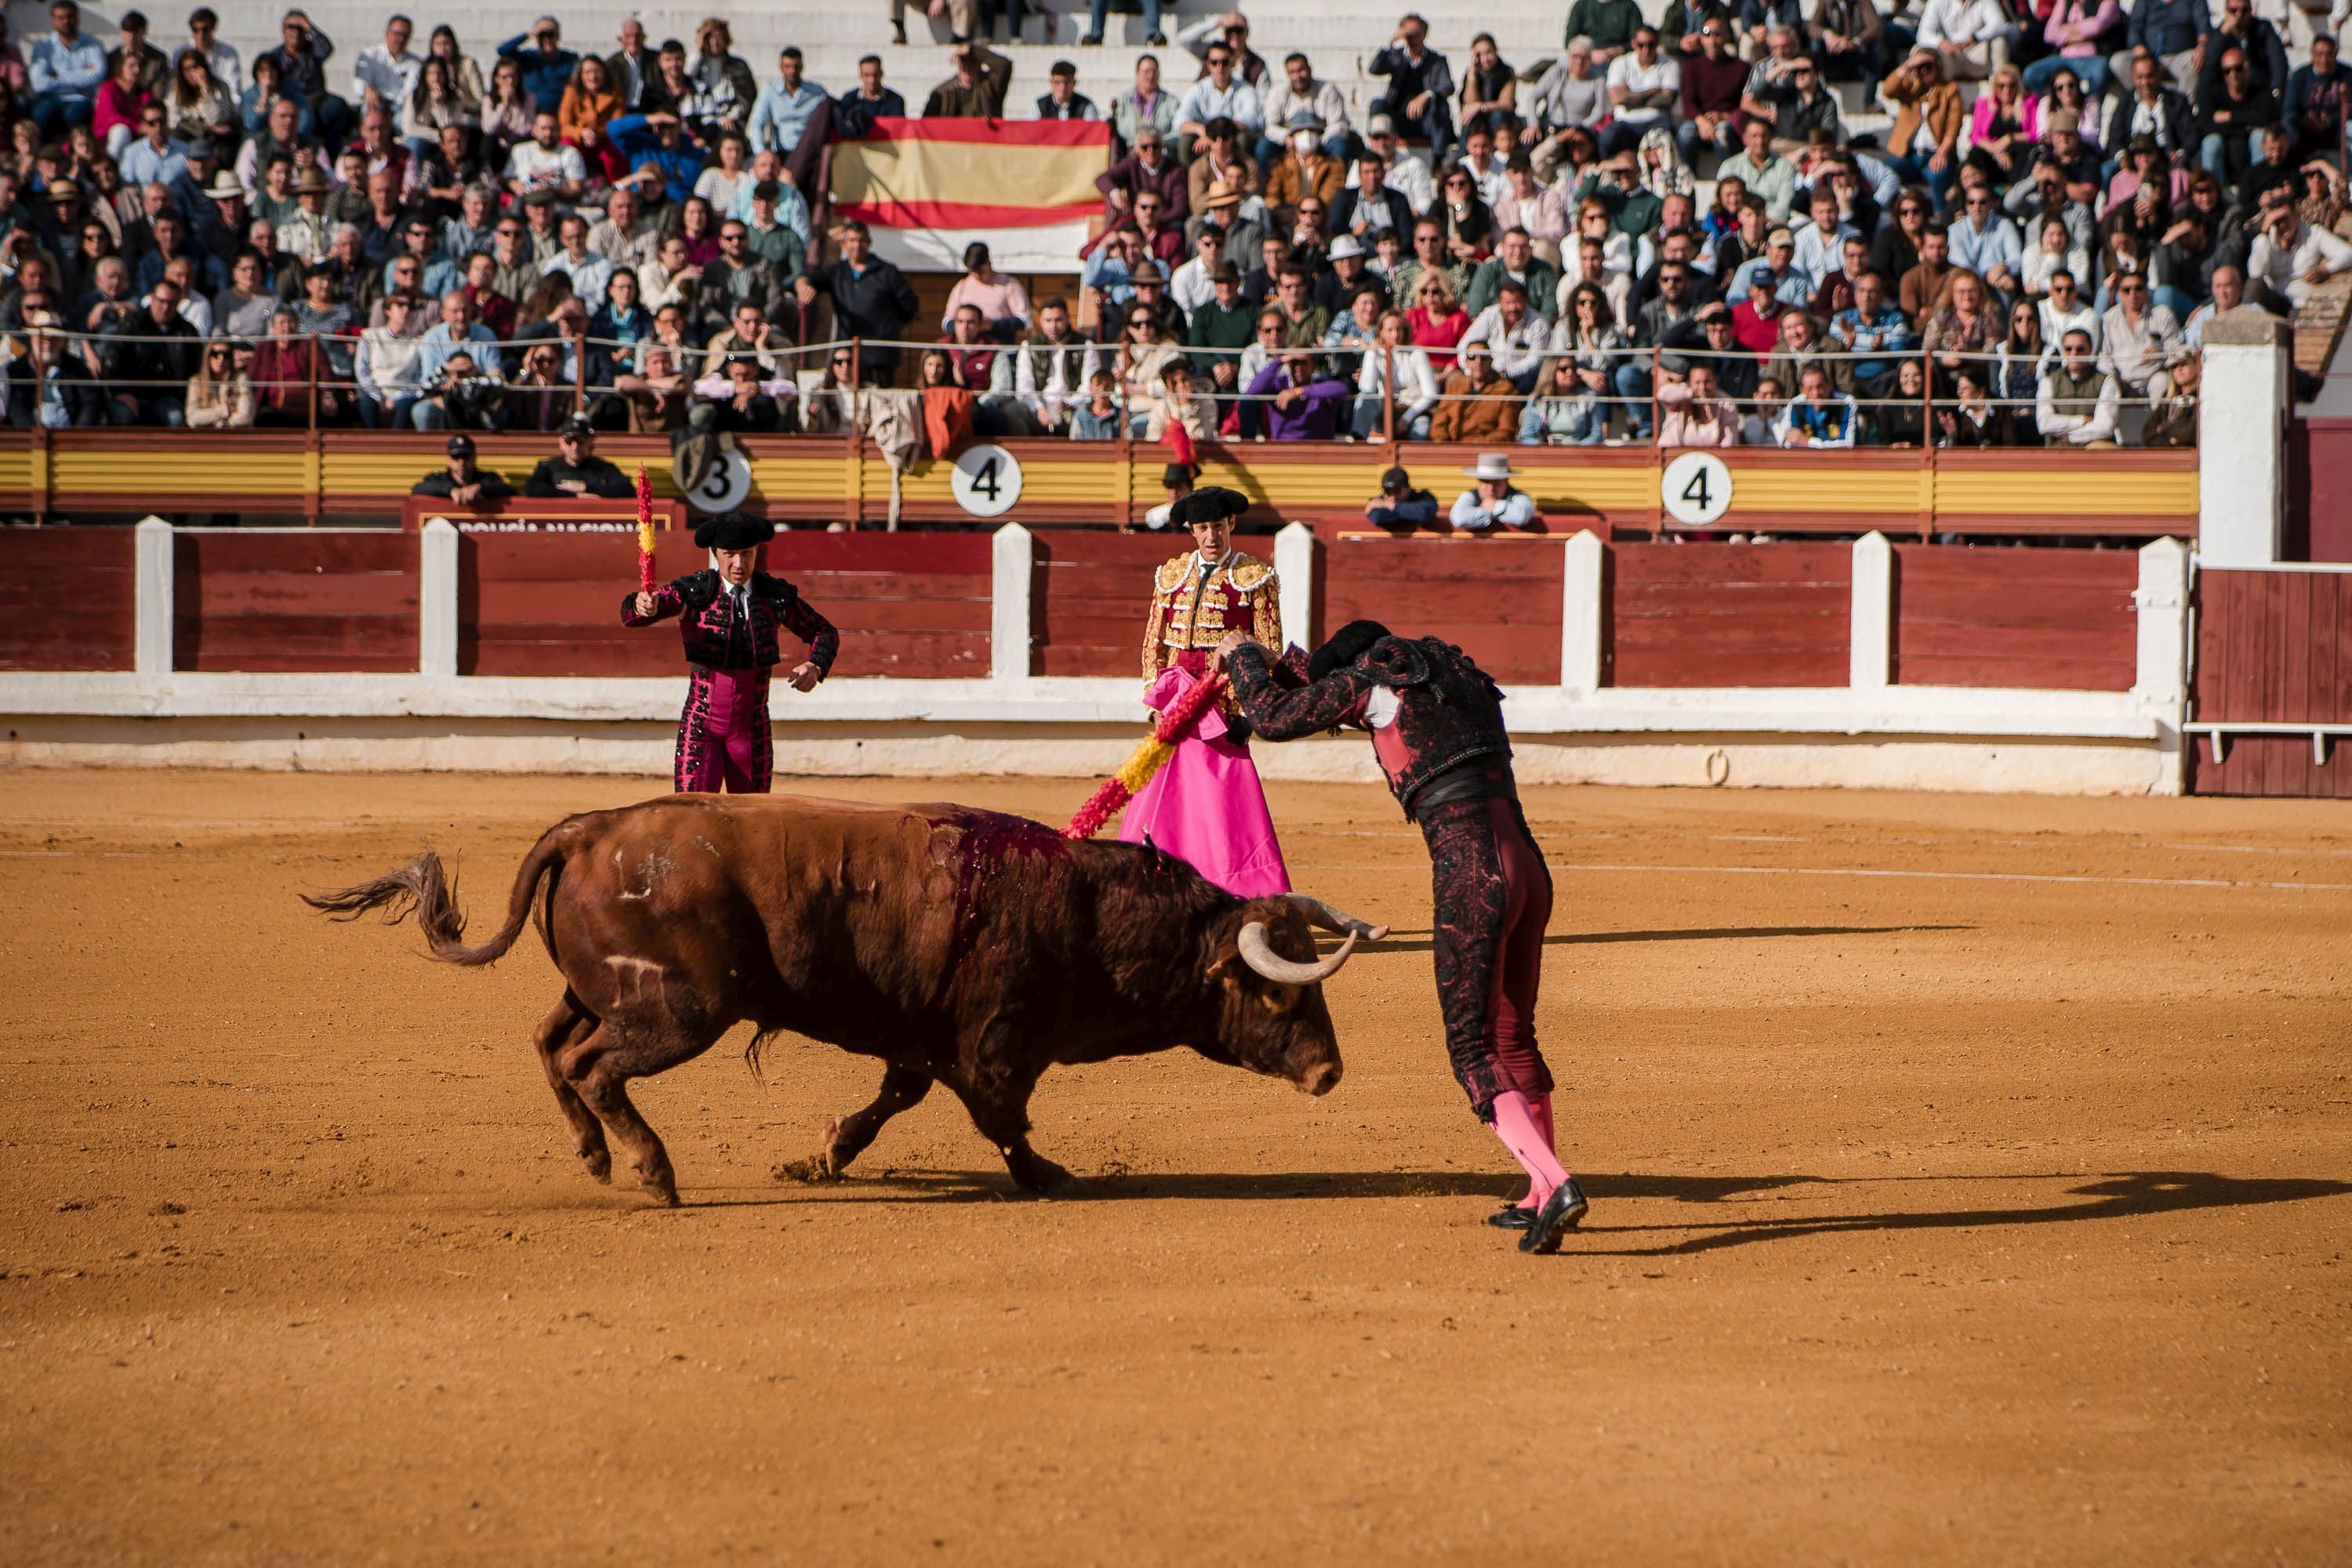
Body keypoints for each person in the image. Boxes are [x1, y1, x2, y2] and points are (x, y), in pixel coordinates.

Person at [1220, 619, 1585, 1254]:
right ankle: (1535, 1189)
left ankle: (1555, 1183)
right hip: (1527, 866)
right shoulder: (1452, 677)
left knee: (1470, 1045)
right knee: (1512, 1031)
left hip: (1473, 873)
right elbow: (1320, 693)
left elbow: (1277, 718)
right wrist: (1285, 662)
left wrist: (1243, 658)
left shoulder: (1376, 682)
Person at [1123, 485, 1292, 897]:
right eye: (1203, 528)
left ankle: (1241, 889)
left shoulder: (1255, 578)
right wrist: (1154, 704)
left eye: (1218, 526)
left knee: (1225, 806)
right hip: (1177, 703)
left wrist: (1251, 712)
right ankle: (1156, 887)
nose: (1212, 536)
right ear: (1192, 532)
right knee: (1165, 797)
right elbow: (1154, 643)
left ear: (1231, 524)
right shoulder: (1170, 575)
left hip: (1224, 708)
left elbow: (1269, 647)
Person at [622, 509, 837, 795]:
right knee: (693, 814)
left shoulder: (774, 595)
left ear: (756, 551)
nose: (739, 563)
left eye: (746, 554)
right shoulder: (695, 591)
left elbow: (824, 632)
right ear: (715, 553)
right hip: (701, 726)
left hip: (752, 730)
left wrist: (815, 666)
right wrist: (641, 606)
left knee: (751, 824)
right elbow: (636, 613)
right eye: (730, 554)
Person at [524, 413, 634, 496]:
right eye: (569, 441)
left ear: (589, 443)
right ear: (561, 444)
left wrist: (585, 487)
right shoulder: (548, 467)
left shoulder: (602, 468)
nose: (575, 446)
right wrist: (573, 495)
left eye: (580, 441)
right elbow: (531, 488)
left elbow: (626, 488)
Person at [410, 431, 515, 503]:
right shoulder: (437, 479)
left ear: (474, 458)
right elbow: (417, 489)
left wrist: (481, 487)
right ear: (449, 460)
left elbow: (508, 490)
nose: (462, 462)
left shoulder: (488, 478)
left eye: (466, 457)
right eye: (456, 457)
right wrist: (450, 490)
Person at [1450, 452, 1540, 531]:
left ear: (1506, 482)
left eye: (1497, 482)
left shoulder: (1519, 496)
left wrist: (1495, 506)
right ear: (1478, 482)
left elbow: (1521, 517)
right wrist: (1488, 512)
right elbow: (1459, 519)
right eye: (1485, 481)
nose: (1491, 488)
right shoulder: (1469, 495)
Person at [1365, 463, 1440, 527]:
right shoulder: (1379, 502)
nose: (1392, 496)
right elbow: (1378, 517)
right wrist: (1407, 512)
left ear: (1408, 488)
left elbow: (1423, 513)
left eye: (1397, 491)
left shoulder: (1423, 497)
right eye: (1388, 491)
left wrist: (1391, 506)